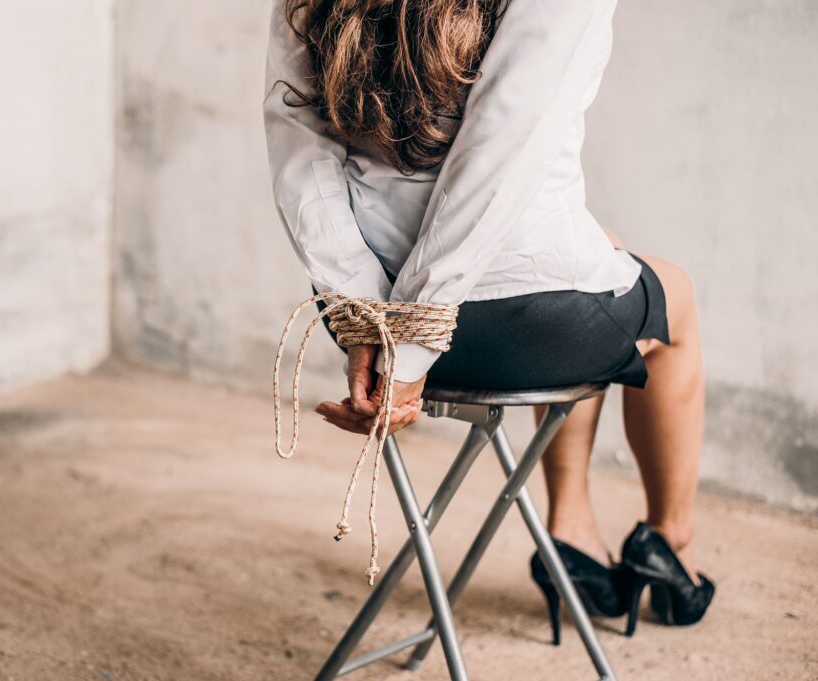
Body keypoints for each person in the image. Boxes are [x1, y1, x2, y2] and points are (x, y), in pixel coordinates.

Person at [263, 0, 714, 637]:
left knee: (601, 252)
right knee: (677, 302)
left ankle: (572, 529)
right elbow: (496, 159)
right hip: (505, 329)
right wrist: (411, 339)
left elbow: (297, 139)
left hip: (368, 312)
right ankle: (674, 544)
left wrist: (366, 314)